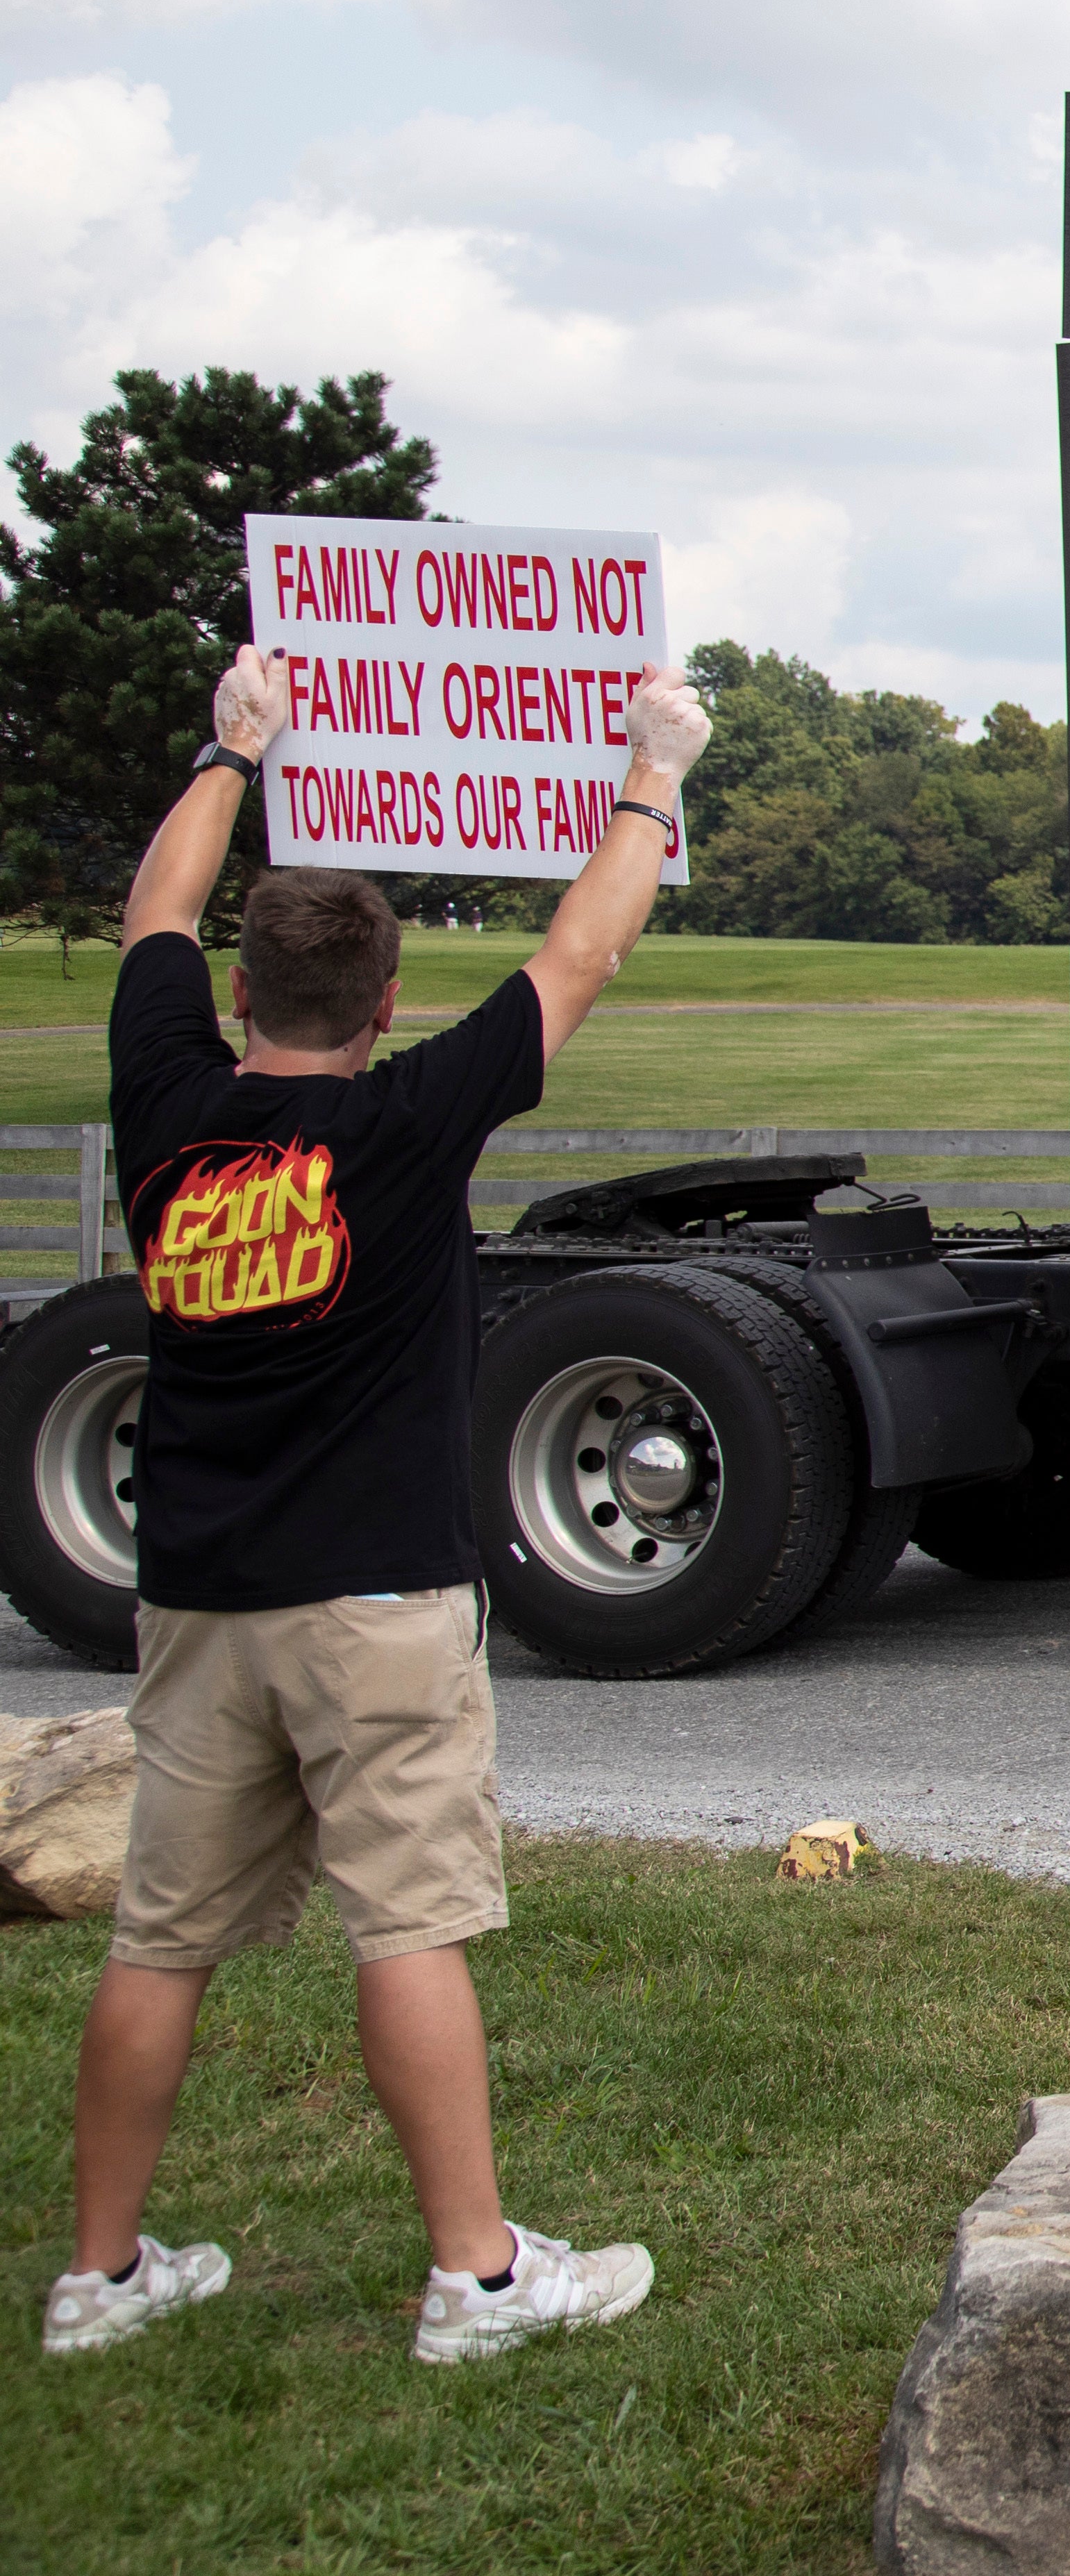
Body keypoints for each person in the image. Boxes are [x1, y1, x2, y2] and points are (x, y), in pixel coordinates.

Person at [53, 643, 706, 2364]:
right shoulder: (413, 1120)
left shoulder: (166, 1102)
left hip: (195, 1591)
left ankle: (99, 2274)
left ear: (241, 991)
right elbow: (586, 950)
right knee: (407, 1925)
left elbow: (148, 919)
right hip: (379, 1608)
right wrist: (653, 769)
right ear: (388, 998)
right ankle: (478, 2276)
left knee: (159, 1940)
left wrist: (229, 750)